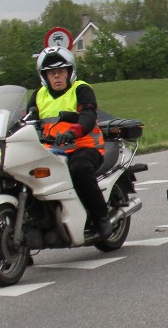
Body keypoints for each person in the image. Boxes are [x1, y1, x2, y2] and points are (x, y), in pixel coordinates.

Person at [27, 46, 112, 239]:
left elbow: (88, 115)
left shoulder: (81, 89)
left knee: (79, 169)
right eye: (51, 73)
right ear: (44, 76)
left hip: (85, 147)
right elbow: (28, 120)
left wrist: (73, 132)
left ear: (70, 71)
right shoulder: (39, 95)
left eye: (61, 71)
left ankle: (101, 216)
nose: (57, 76)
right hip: (52, 151)